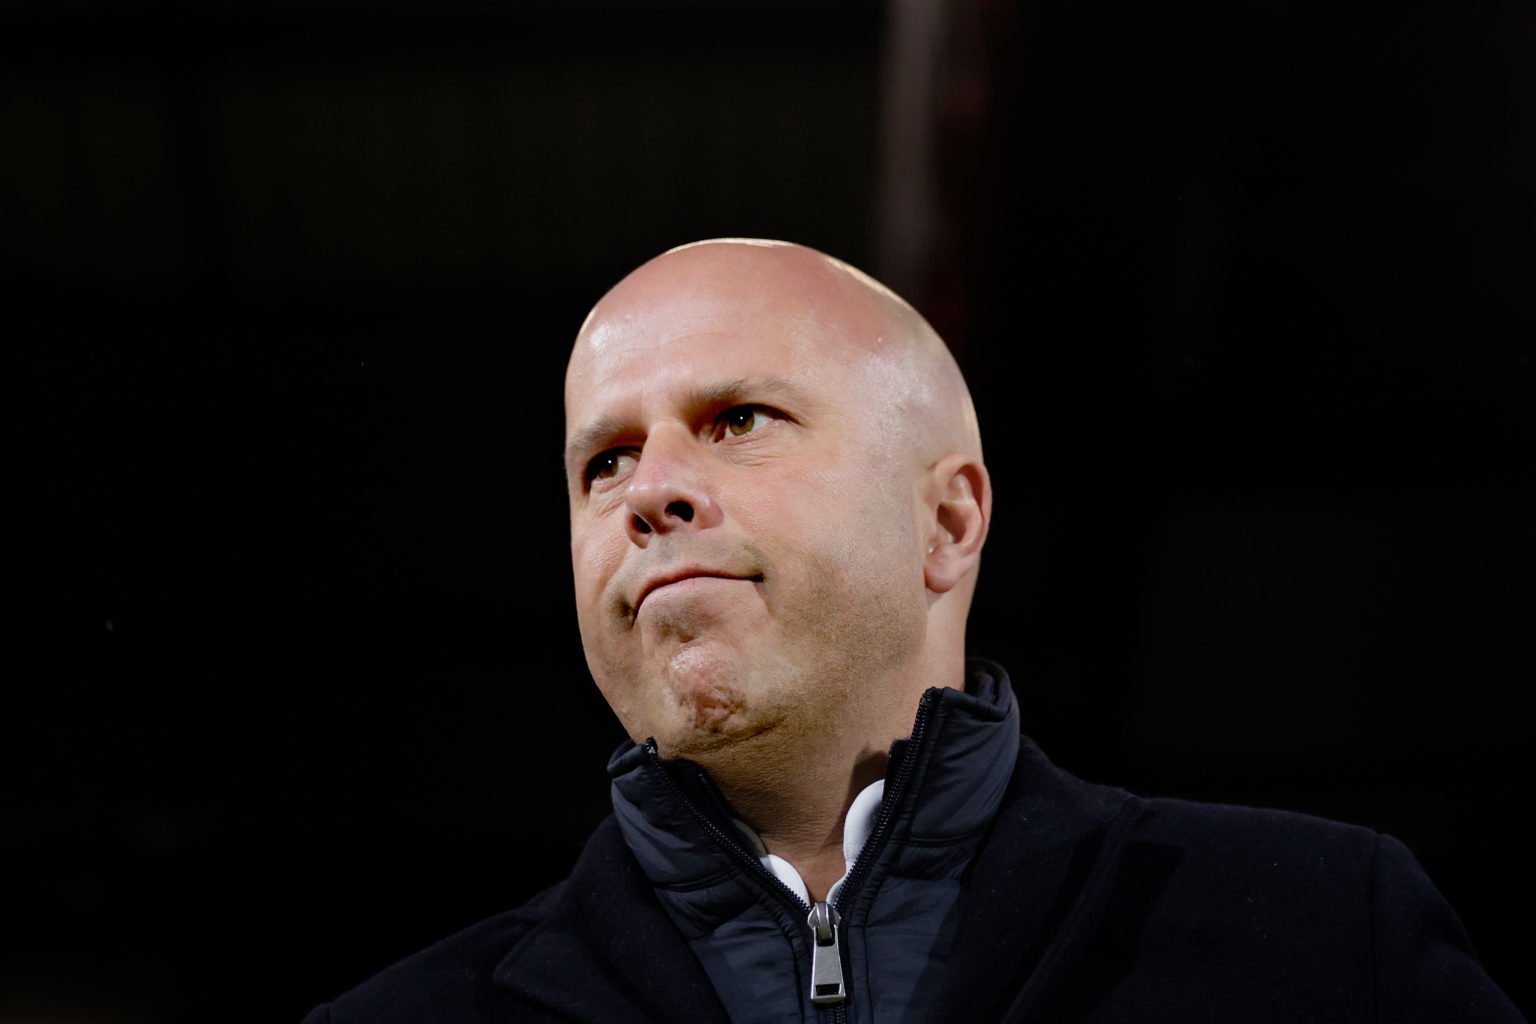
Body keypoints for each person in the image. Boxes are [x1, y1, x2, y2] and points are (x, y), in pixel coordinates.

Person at [305, 240, 1522, 1022]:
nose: (649, 491)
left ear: (946, 519)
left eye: (737, 420)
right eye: (604, 460)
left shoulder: (1321, 936)